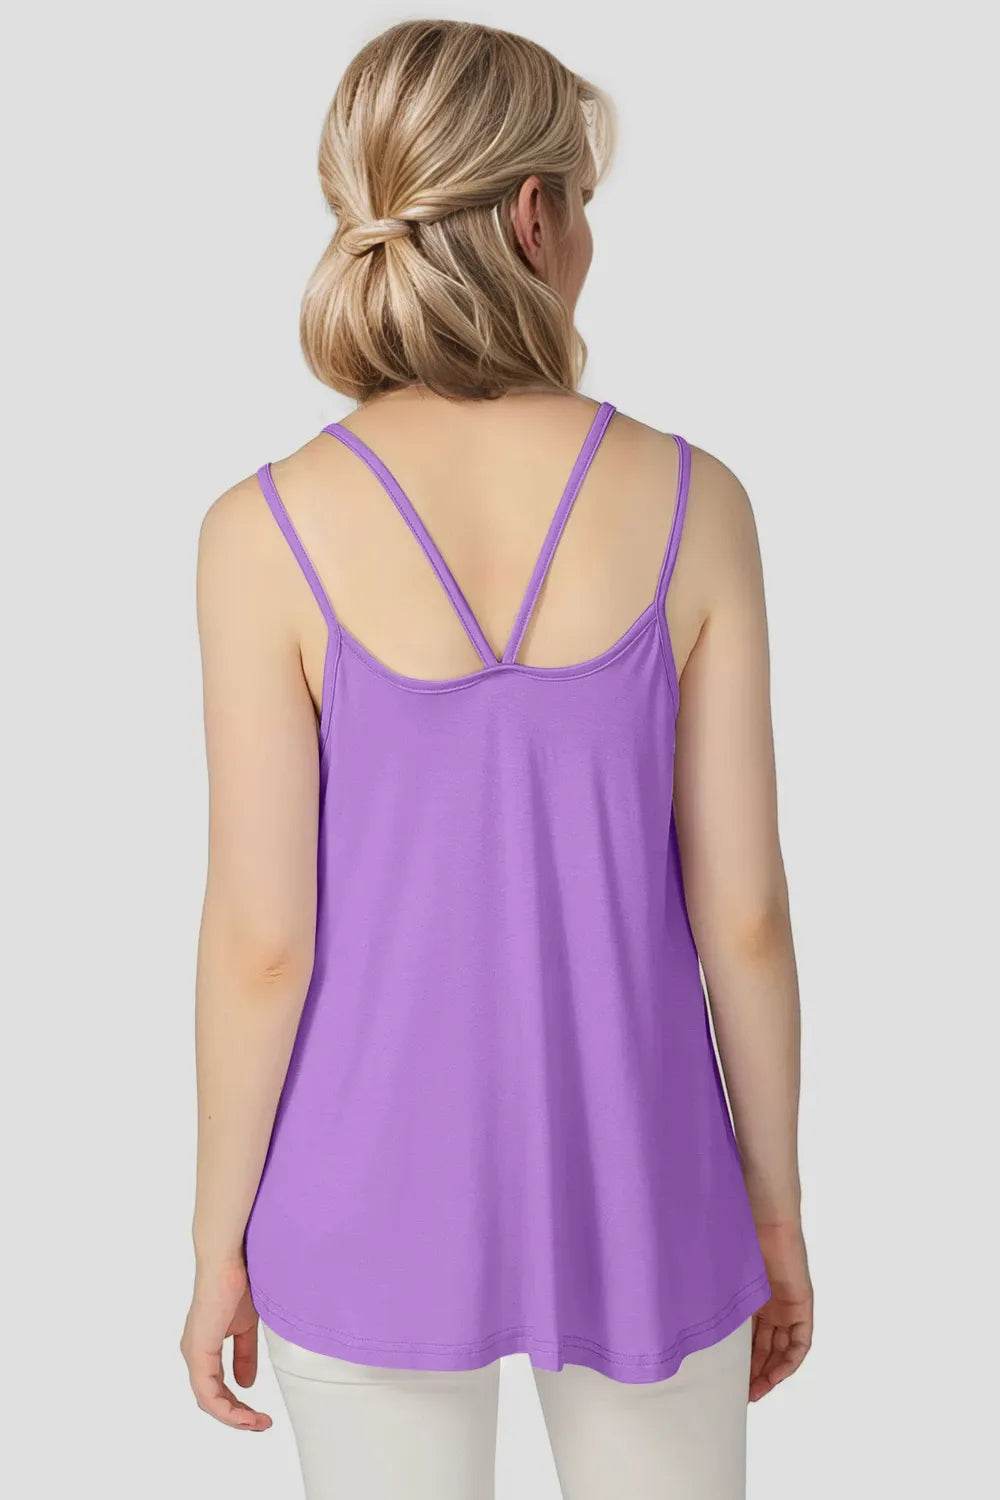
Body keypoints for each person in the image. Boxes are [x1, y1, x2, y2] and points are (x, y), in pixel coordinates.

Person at [180, 18, 812, 1499]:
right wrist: (775, 1211)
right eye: (584, 201)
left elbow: (264, 943)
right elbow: (744, 917)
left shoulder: (262, 530)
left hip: (361, 1193)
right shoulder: (694, 501)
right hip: (646, 1188)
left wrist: (217, 1243)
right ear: (537, 217)